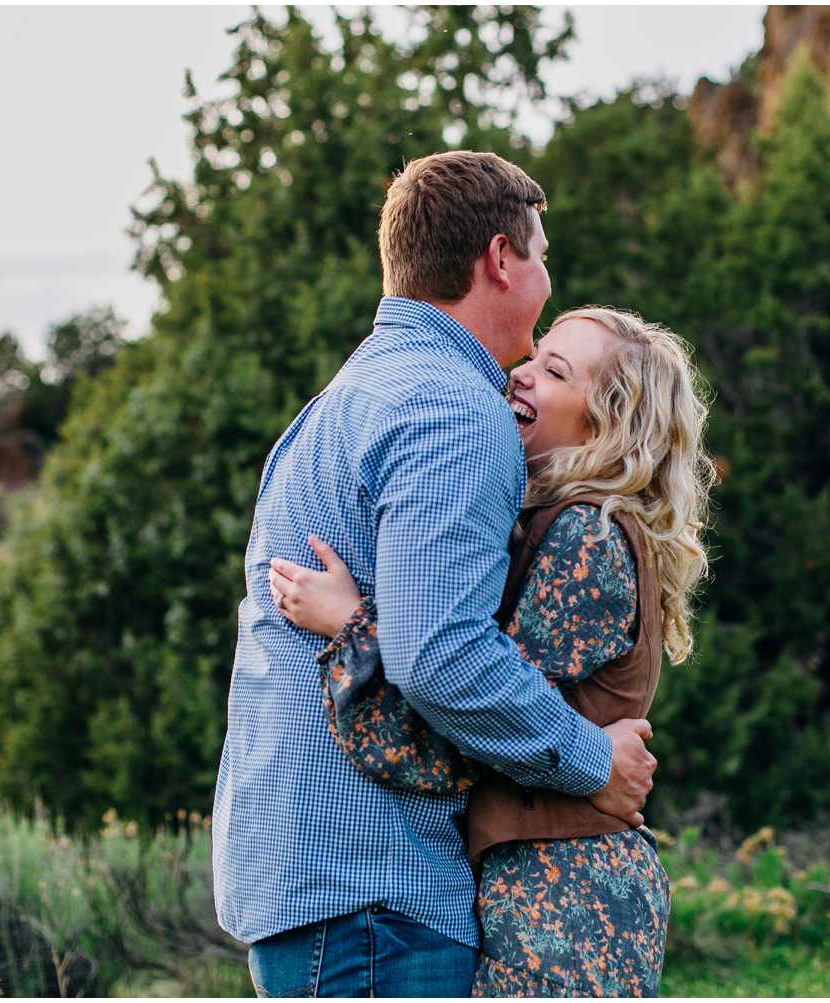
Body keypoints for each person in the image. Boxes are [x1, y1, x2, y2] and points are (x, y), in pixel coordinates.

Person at [209, 152, 659, 999]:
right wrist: (591, 758)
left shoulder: (350, 395)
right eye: (544, 253)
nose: (548, 276)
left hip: (309, 874)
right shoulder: (456, 408)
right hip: (374, 886)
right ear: (500, 258)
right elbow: (441, 654)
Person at [270, 307, 714, 996]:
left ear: (606, 424)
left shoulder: (587, 539)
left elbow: (477, 717)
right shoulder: (550, 526)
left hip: (568, 899)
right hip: (539, 882)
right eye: (534, 358)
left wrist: (353, 624)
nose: (520, 373)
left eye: (554, 371)